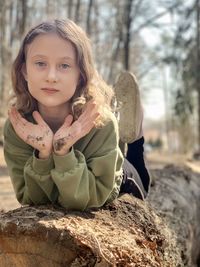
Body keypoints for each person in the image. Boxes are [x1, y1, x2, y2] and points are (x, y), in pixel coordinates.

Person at [3, 19, 150, 211]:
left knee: (143, 187)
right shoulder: (18, 127)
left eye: (64, 66)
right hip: (77, 173)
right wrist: (44, 154)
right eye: (40, 63)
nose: (51, 76)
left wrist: (63, 153)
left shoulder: (101, 123)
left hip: (113, 180)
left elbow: (92, 198)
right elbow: (30, 199)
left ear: (80, 74)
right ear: (24, 71)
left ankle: (133, 135)